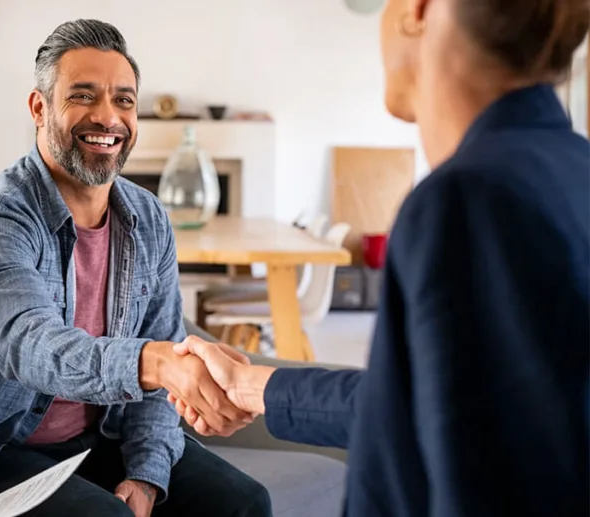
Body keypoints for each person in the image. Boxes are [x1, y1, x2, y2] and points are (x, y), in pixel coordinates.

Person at [168, 0, 590, 515]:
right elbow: (425, 406)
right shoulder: (572, 170)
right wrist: (252, 384)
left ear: (419, 8)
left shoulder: (468, 199)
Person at [0, 19, 271, 517]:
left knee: (245, 503)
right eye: (83, 96)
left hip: (99, 435)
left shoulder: (147, 217)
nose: (108, 117)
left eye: (124, 101)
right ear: (39, 107)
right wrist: (157, 363)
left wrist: (146, 473)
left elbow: (164, 350)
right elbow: (34, 348)